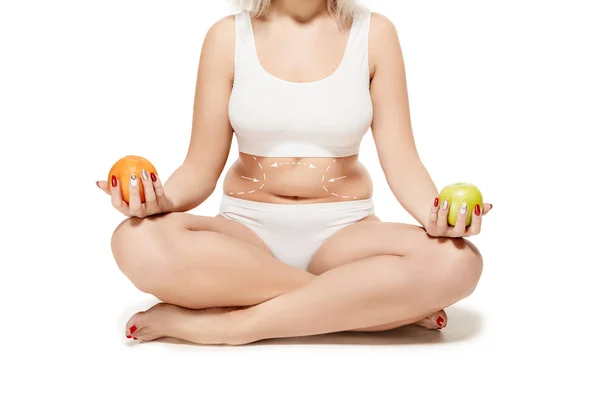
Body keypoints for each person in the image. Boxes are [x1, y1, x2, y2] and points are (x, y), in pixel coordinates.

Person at [96, 0, 492, 345]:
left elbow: (403, 160)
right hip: (246, 233)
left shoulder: (376, 34)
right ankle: (370, 309)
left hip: (345, 233)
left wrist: (437, 217)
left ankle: (231, 327)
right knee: (135, 241)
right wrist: (157, 201)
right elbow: (199, 167)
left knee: (458, 263)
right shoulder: (226, 37)